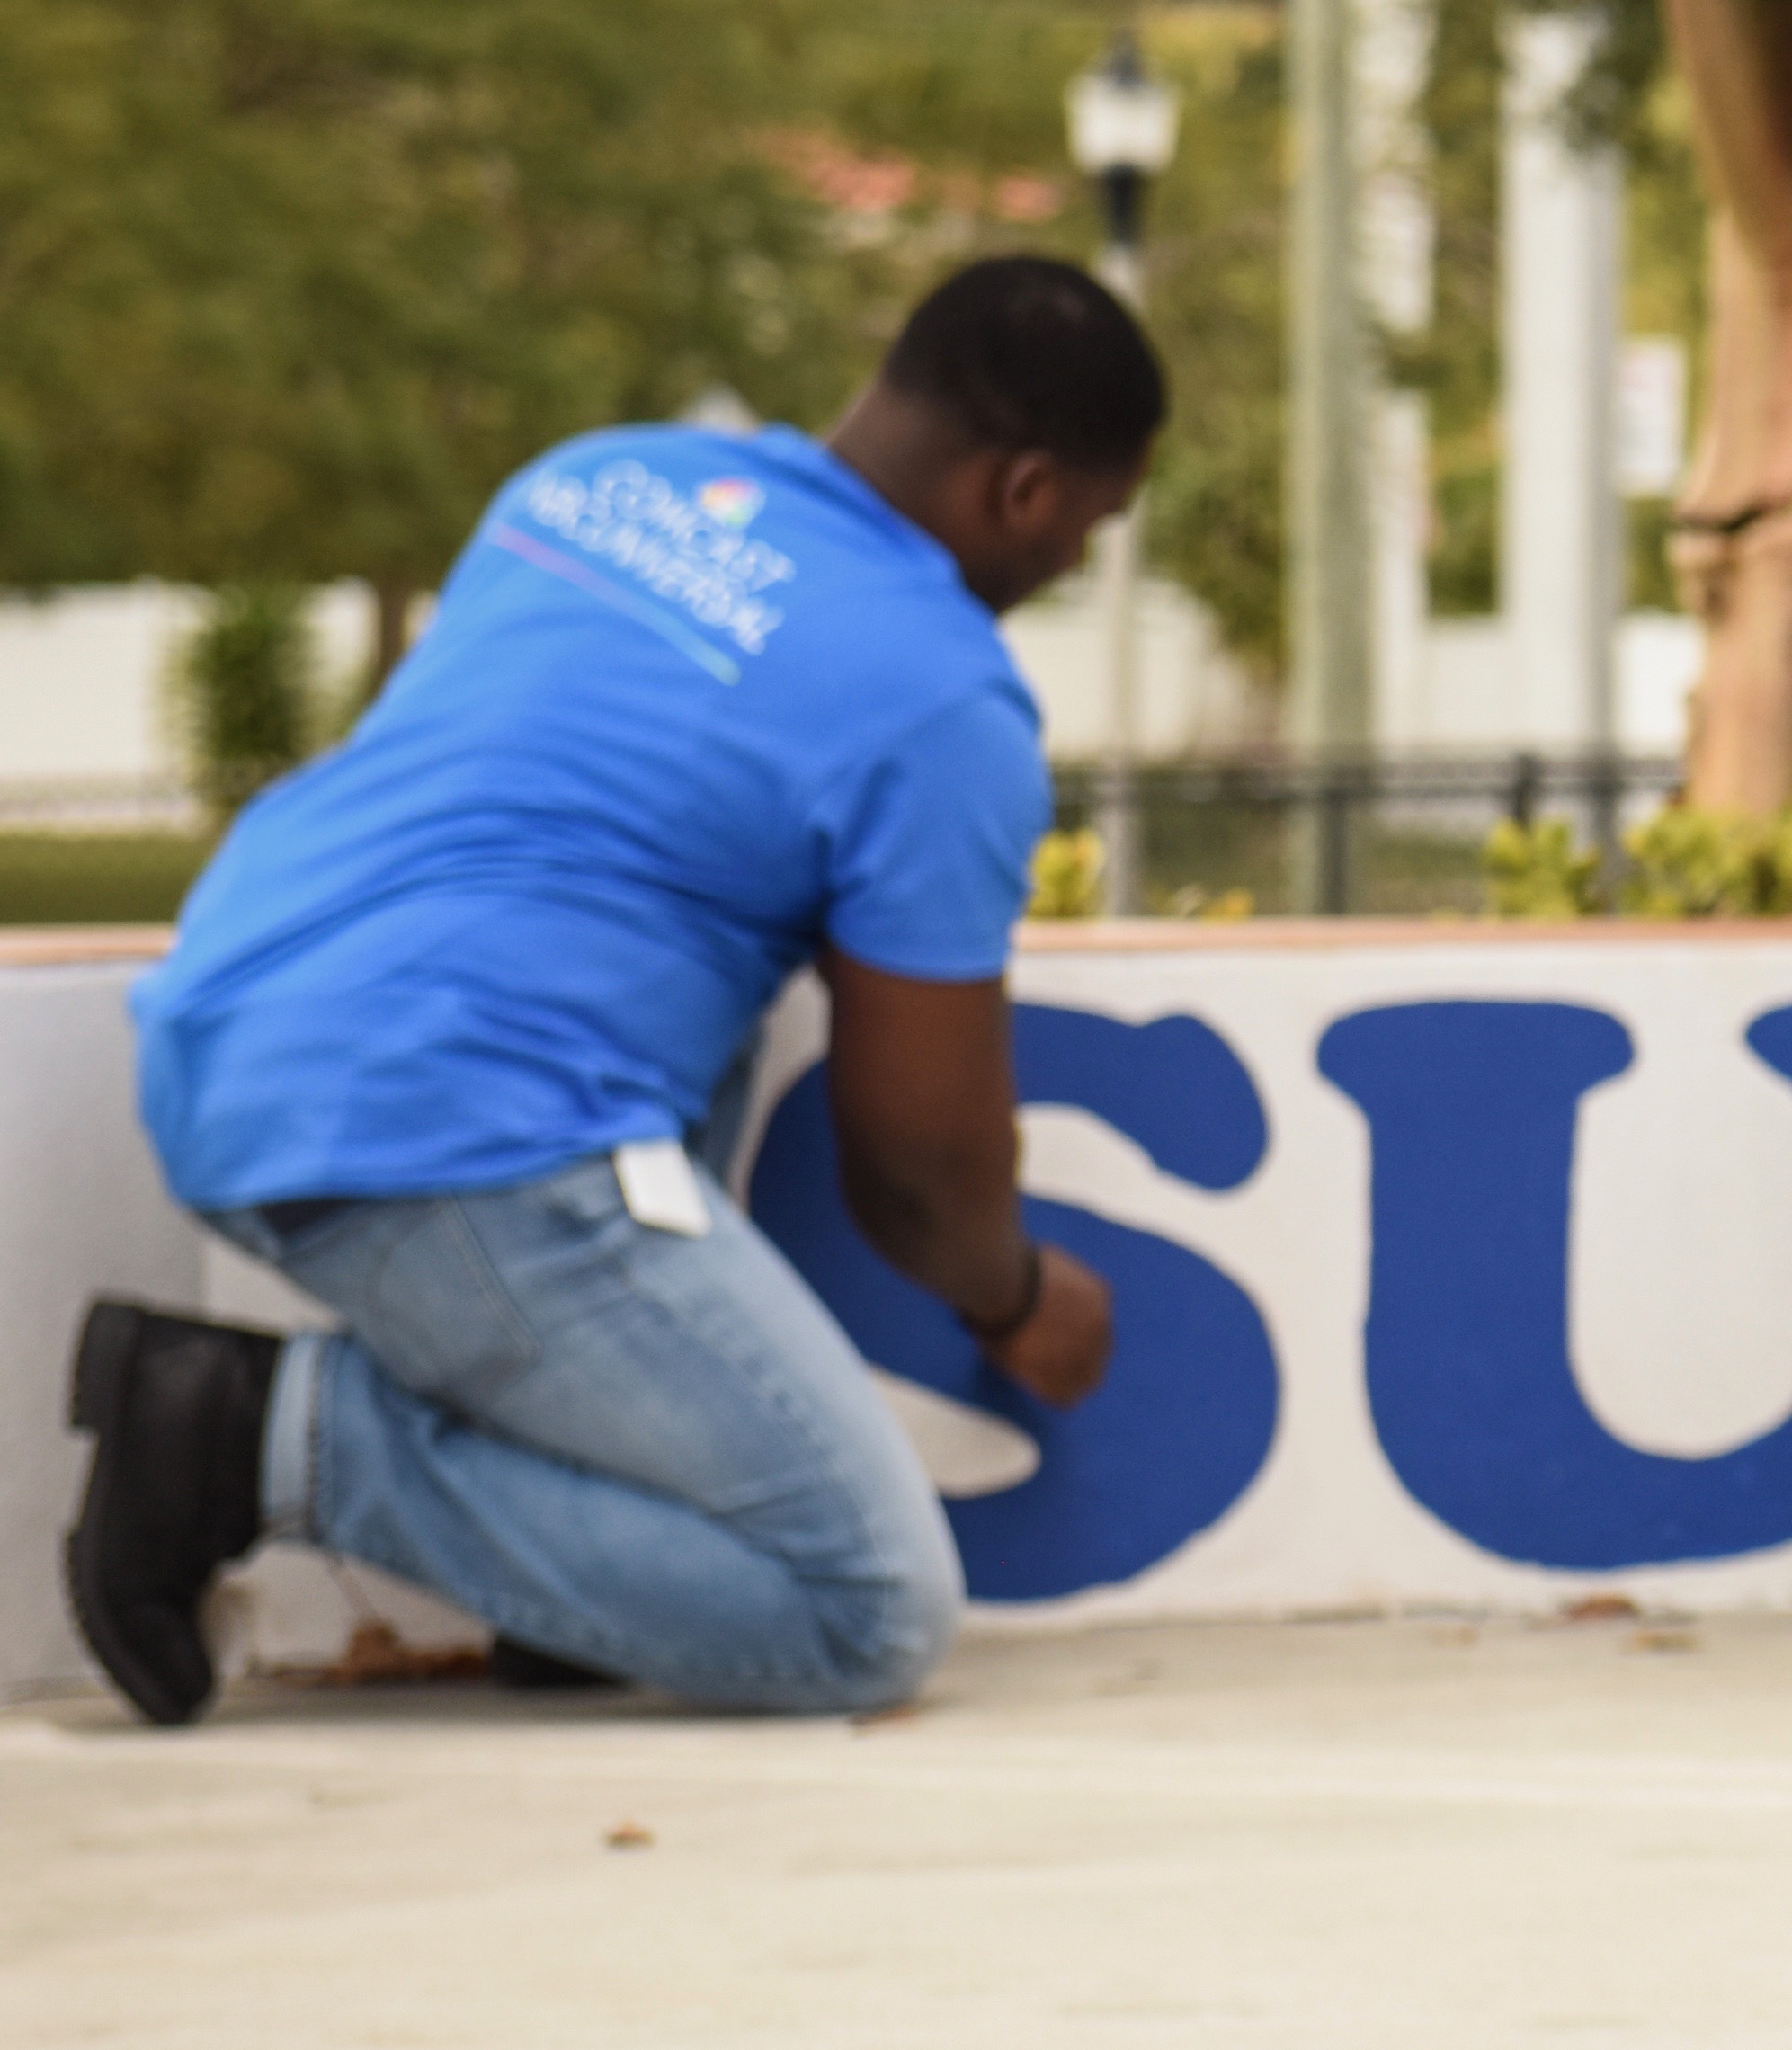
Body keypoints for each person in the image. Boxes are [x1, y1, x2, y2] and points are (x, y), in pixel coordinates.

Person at [66, 257, 1155, 1725]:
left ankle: (565, 1584)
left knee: (706, 938)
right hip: (446, 1136)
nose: (1068, 569)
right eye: (1088, 532)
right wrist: (1017, 1298)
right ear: (1025, 491)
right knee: (864, 1608)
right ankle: (260, 1437)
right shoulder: (940, 697)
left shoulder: (605, 481)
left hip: (227, 1021)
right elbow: (917, 1167)